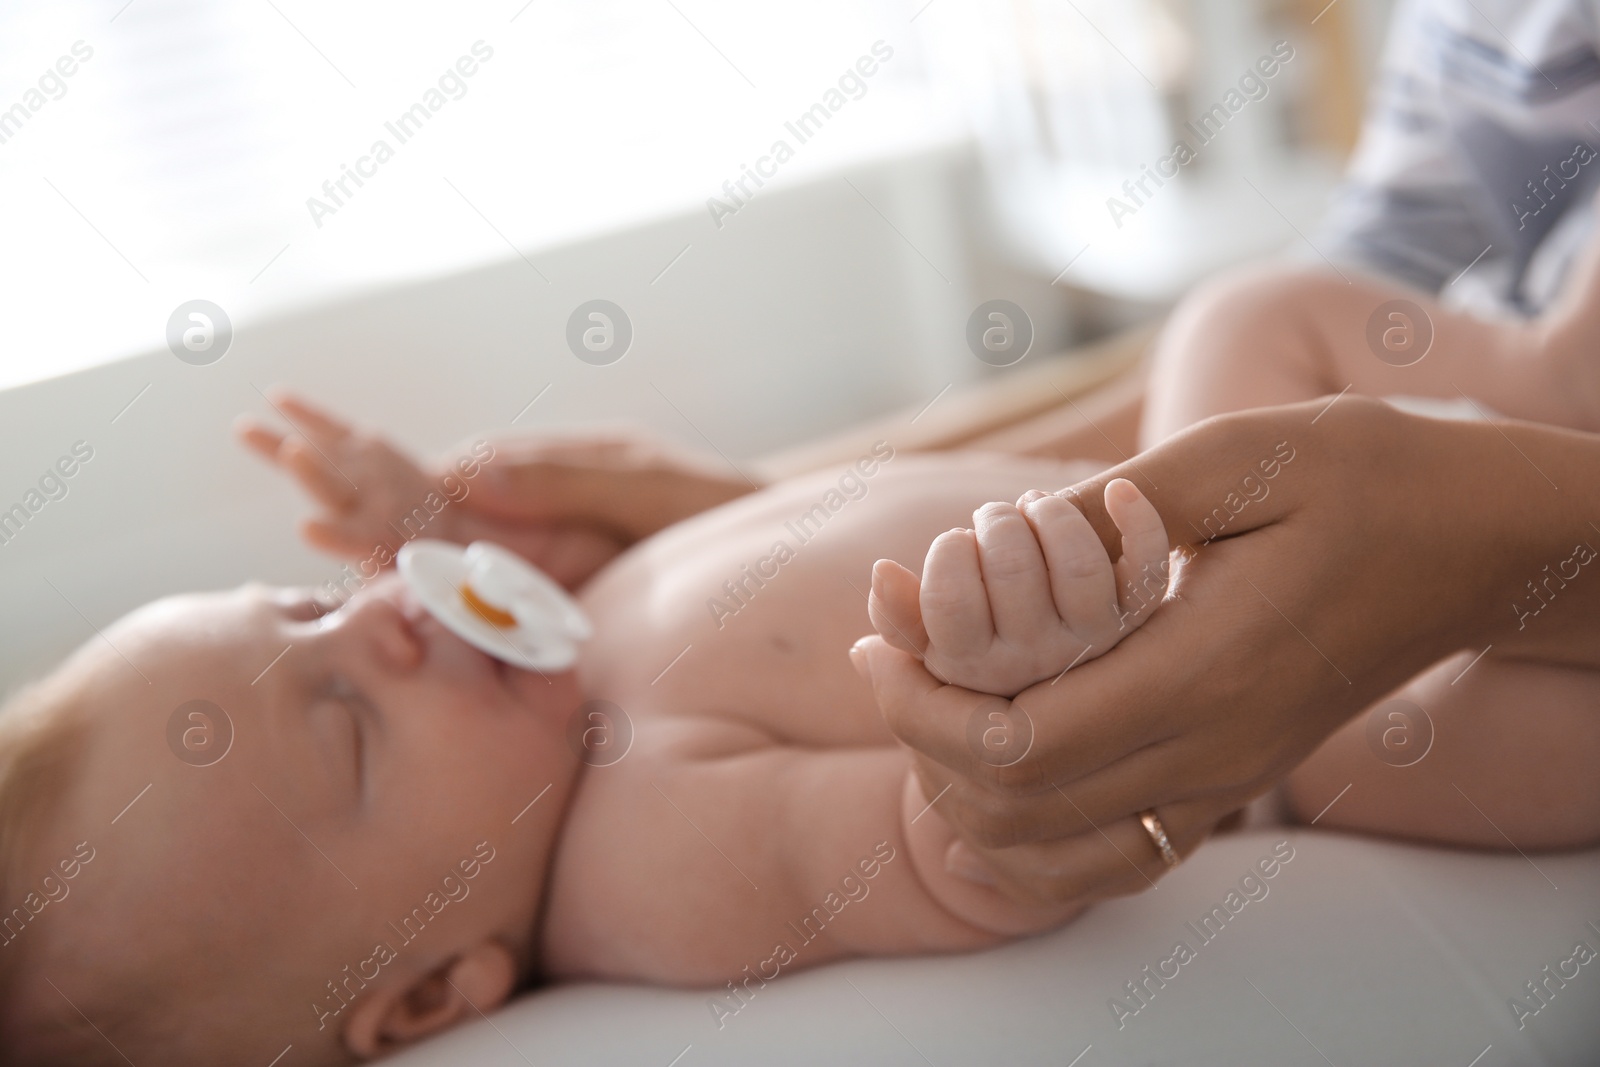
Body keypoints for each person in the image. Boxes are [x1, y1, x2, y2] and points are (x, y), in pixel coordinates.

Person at [0, 392, 1167, 1064]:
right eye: (350, 724)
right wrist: (1006, 684)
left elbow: (706, 581)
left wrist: (474, 530)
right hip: (1231, 656)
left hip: (1145, 493)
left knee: (1260, 317)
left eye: (313, 607)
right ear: (430, 991)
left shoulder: (540, 696)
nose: (383, 620)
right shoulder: (644, 863)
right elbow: (953, 856)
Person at [847, 0, 1600, 903]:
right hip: (1464, 461)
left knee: (1246, 322)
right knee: (1242, 326)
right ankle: (1201, 708)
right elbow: (1378, 273)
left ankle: (1195, 710)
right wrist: (836, 480)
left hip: (1515, 486)